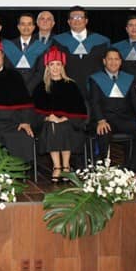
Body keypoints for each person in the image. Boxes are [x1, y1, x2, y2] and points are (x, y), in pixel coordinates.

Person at [88, 48, 136, 174]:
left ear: (120, 62)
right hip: (105, 119)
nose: (113, 62)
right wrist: (101, 120)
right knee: (103, 133)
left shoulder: (128, 79)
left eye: (116, 59)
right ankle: (102, 171)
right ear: (104, 61)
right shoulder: (96, 79)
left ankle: (134, 169)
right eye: (110, 59)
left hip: (124, 119)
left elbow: (135, 101)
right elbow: (94, 102)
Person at [32, 47, 88, 182]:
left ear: (62, 66)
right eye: (52, 64)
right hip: (47, 123)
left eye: (58, 64)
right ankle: (57, 166)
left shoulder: (71, 85)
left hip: (69, 122)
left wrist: (67, 117)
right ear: (47, 67)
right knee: (53, 125)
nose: (55, 67)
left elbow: (79, 107)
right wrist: (46, 117)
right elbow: (35, 109)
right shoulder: (41, 86)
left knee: (63, 125)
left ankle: (66, 165)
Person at [53, 6, 110, 95]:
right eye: (73, 18)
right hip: (66, 88)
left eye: (80, 17)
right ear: (69, 22)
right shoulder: (57, 41)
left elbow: (107, 67)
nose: (77, 20)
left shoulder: (102, 41)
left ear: (86, 21)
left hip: (95, 89)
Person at [2, 12, 48, 94]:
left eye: (29, 24)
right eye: (23, 24)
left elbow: (40, 72)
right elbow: (6, 69)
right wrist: (15, 87)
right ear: (18, 27)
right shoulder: (9, 45)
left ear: (34, 27)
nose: (26, 27)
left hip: (33, 91)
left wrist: (27, 89)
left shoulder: (41, 46)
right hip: (12, 90)